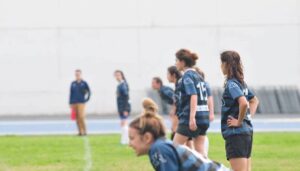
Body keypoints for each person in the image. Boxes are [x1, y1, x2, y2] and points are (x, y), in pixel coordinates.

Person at [128, 98, 229, 171]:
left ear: (147, 137)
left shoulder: (158, 149)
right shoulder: (160, 146)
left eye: (132, 138)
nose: (129, 144)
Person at [220, 51, 259, 171]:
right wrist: (247, 117)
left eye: (221, 63)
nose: (220, 66)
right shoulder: (241, 83)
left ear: (226, 64)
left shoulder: (232, 84)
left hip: (235, 133)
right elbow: (254, 101)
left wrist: (239, 121)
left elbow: (243, 102)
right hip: (246, 133)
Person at [173, 49, 210, 157]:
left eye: (176, 60)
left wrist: (192, 117)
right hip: (204, 117)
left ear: (183, 62)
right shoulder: (199, 76)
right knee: (201, 153)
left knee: (173, 150)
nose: (175, 63)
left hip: (192, 118)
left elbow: (193, 95)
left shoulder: (187, 76)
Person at [167, 66, 194, 149]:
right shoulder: (178, 84)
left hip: (183, 114)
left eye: (168, 74)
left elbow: (183, 99)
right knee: (189, 141)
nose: (167, 76)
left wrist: (175, 113)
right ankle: (194, 159)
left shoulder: (180, 83)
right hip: (183, 113)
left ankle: (179, 157)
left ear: (173, 75)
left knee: (175, 132)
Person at [194, 67, 215, 157]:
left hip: (199, 114)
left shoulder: (201, 85)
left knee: (197, 141)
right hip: (203, 114)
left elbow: (210, 99)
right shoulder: (205, 84)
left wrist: (211, 113)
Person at [69, 69, 91, 136]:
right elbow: (71, 93)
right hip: (74, 103)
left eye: (78, 74)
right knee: (77, 118)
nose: (77, 75)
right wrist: (70, 103)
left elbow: (89, 92)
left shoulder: (84, 83)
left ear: (80, 74)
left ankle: (85, 131)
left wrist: (86, 99)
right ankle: (80, 132)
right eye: (76, 74)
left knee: (81, 117)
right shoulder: (73, 83)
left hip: (81, 102)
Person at [114, 70, 131, 145]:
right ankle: (124, 140)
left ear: (122, 76)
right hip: (121, 108)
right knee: (122, 123)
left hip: (124, 108)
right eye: (115, 75)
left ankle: (126, 140)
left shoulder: (123, 85)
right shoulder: (119, 85)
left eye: (118, 75)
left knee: (124, 123)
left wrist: (125, 109)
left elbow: (126, 97)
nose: (117, 77)